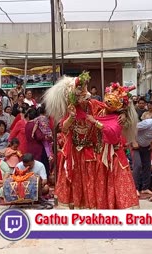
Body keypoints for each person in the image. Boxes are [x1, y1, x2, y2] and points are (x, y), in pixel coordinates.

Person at [43, 71, 102, 209]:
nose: (85, 99)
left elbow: (108, 109)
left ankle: (90, 207)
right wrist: (71, 117)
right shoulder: (70, 110)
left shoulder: (93, 105)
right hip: (73, 152)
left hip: (89, 150)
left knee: (90, 180)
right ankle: (73, 207)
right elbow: (63, 128)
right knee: (73, 179)